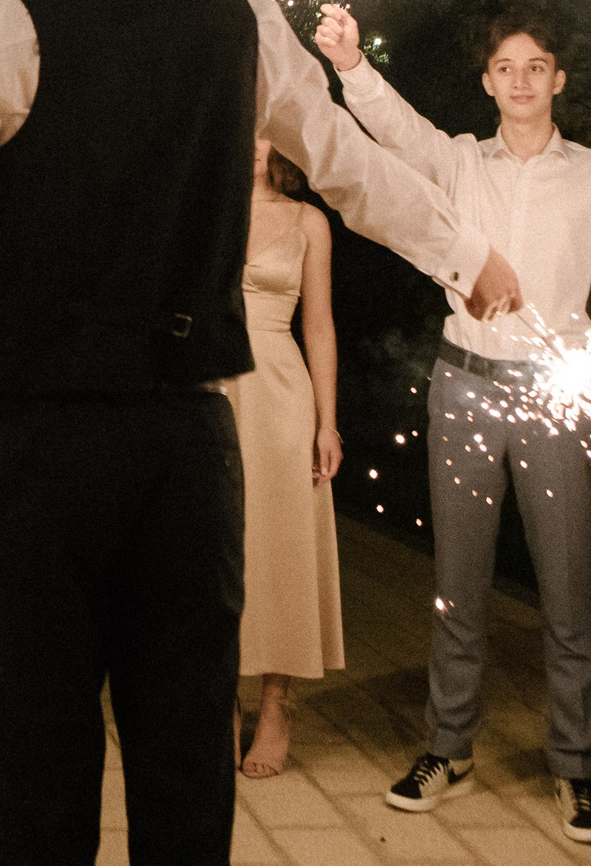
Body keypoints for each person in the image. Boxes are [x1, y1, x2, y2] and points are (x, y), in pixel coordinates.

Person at [0, 0, 514, 866]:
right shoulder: (240, 18)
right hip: (188, 445)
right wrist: (469, 255)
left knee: (40, 755)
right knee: (181, 759)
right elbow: (349, 172)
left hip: (43, 447)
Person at [315, 4, 591, 846]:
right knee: (457, 583)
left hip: (555, 398)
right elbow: (395, 131)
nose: (523, 80)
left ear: (559, 77)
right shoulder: (461, 162)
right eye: (507, 66)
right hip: (464, 385)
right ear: (488, 79)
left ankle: (574, 765)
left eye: (538, 65)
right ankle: (448, 747)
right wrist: (350, 63)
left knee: (568, 591)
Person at [228, 139, 344, 780]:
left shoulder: (307, 221)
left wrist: (327, 423)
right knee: (208, 547)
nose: (250, 141)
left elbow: (319, 323)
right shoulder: (200, 202)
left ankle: (276, 701)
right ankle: (220, 696)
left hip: (278, 392)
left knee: (276, 543)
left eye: (264, 127)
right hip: (207, 387)